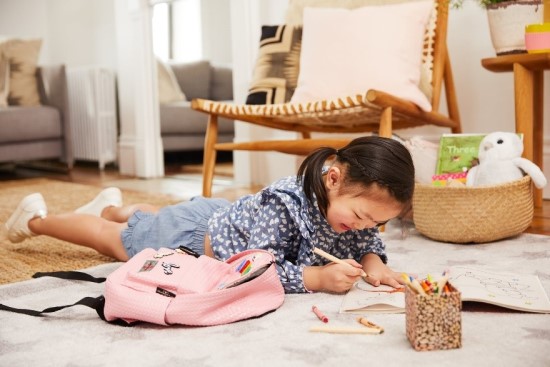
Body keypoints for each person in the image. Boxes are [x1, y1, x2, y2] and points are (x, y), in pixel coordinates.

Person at [5, 136, 415, 294]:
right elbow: (254, 267)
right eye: (360, 215)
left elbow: (367, 243)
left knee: (151, 217)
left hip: (223, 215)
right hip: (191, 239)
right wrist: (316, 278)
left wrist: (374, 263)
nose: (362, 228)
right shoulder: (284, 204)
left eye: (373, 224)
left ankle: (114, 207)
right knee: (114, 240)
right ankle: (36, 219)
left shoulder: (351, 215)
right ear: (333, 178)